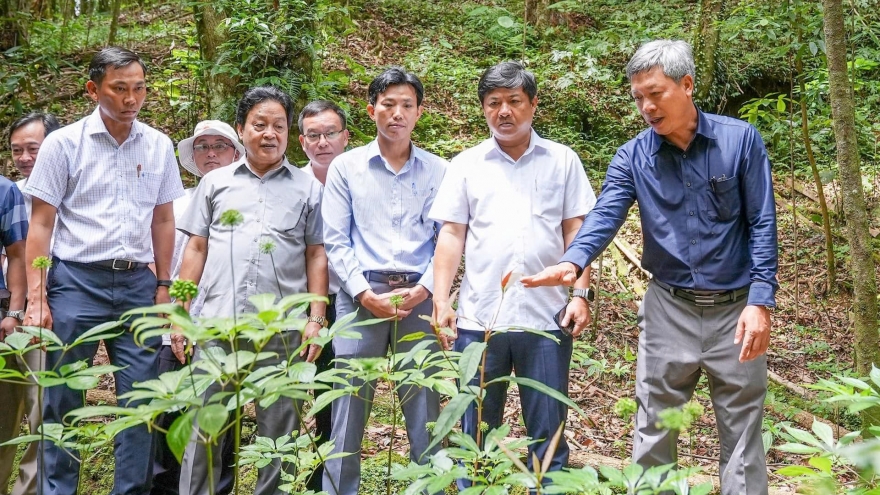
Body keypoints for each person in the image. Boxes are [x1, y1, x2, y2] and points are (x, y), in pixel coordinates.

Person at [522, 40, 777, 495]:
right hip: (668, 308)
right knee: (654, 427)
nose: (646, 106)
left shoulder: (740, 140)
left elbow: (762, 222)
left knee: (742, 436)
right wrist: (573, 260)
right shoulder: (633, 156)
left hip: (736, 309)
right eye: (638, 96)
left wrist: (761, 301)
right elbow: (605, 215)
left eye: (655, 93)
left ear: (687, 84)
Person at [22, 46, 185, 495]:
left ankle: (130, 490)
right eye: (119, 89)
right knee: (63, 400)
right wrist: (37, 298)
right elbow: (41, 222)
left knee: (140, 403)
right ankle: (58, 490)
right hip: (76, 280)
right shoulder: (63, 143)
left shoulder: (157, 144)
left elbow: (163, 219)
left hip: (138, 283)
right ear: (94, 90)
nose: (131, 98)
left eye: (139, 88)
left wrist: (164, 286)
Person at [429, 61, 595, 487]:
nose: (503, 111)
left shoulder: (562, 160)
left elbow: (577, 231)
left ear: (533, 104)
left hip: (546, 319)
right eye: (493, 103)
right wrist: (441, 300)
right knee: (477, 432)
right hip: (480, 320)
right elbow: (451, 235)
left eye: (514, 101)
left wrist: (580, 294)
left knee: (549, 431)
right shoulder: (465, 165)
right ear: (483, 109)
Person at [175, 86, 327, 495]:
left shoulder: (308, 188)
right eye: (259, 125)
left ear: (289, 134)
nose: (269, 133)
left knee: (278, 435)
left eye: (278, 126)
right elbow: (197, 246)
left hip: (281, 331)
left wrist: (316, 317)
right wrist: (180, 311)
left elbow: (316, 254)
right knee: (205, 431)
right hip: (215, 325)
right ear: (242, 129)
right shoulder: (215, 183)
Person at [321, 67, 447, 495]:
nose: (397, 113)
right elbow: (335, 240)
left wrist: (427, 288)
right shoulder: (346, 167)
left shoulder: (439, 171)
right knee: (348, 406)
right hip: (359, 298)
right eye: (388, 104)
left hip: (419, 297)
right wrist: (363, 293)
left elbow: (446, 239)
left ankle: (426, 487)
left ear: (419, 113)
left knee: (424, 404)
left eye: (407, 105)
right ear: (371, 108)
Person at [150, 120, 244, 495]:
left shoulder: (246, 203)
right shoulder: (176, 204)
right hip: (176, 324)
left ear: (236, 153)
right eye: (202, 146)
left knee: (220, 422)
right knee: (168, 417)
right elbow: (158, 262)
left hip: (225, 326)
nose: (210, 153)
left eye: (220, 145)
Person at [0, 112, 59, 495]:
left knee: (44, 411)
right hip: (11, 309)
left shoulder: (72, 190)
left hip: (55, 312)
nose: (24, 157)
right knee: (5, 411)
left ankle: (30, 490)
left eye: (32, 149)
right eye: (16, 150)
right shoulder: (11, 191)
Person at [295, 99, 349, 492]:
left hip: (350, 299)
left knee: (341, 389)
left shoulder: (361, 177)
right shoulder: (293, 183)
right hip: (303, 303)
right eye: (314, 135)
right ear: (302, 141)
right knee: (307, 390)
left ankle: (335, 469)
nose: (323, 142)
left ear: (345, 136)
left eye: (330, 133)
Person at [0, 175, 29, 495]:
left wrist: (14, 312)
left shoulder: (5, 191)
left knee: (3, 418)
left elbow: (18, 252)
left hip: (1, 311)